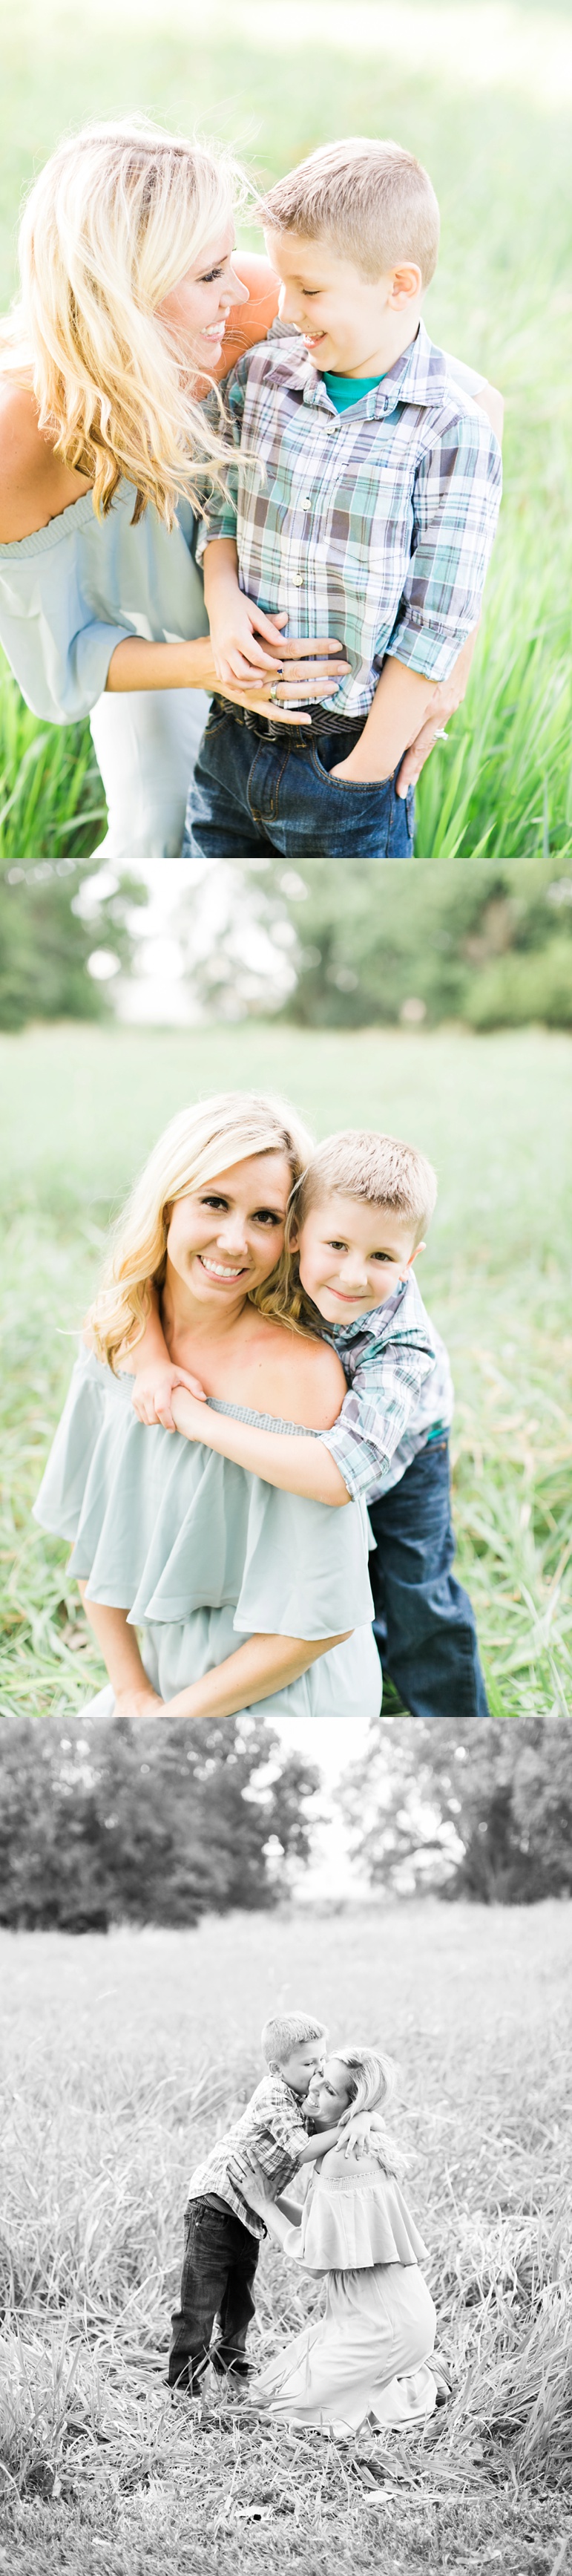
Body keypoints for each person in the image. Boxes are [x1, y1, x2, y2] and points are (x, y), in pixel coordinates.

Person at [0, 122, 502, 857]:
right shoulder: (19, 437)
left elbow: (472, 407)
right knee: (152, 828)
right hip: (151, 636)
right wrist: (213, 661)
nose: (241, 289)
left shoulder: (256, 307)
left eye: (227, 258)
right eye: (208, 273)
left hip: (266, 606)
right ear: (124, 296)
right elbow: (60, 666)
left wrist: (443, 671)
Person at [183, 134, 503, 858]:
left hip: (347, 758)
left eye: (312, 289)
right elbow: (221, 503)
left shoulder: (452, 427)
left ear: (399, 285)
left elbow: (437, 617)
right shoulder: (262, 377)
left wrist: (367, 771)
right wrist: (222, 598)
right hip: (231, 739)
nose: (287, 307)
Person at [33, 1092, 381, 1720]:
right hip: (163, 1686)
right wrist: (134, 1694)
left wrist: (169, 1721)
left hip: (283, 1692)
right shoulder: (118, 1335)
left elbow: (320, 1625)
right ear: (168, 1203)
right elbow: (92, 1546)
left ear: (295, 1235)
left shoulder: (299, 1373)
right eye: (214, 1203)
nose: (234, 1241)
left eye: (266, 1219)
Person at [129, 1127, 488, 1717]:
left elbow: (343, 1473)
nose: (351, 1276)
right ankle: (365, 1659)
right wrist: (151, 1364)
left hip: (401, 1451)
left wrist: (196, 1421)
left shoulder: (405, 1346)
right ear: (296, 1233)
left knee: (416, 1593)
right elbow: (140, 1281)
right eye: (337, 1247)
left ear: (410, 1260)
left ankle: (456, 1726)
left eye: (381, 1258)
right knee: (339, 1572)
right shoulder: (260, 1255)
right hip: (308, 1432)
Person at [241, 2044, 438, 2434]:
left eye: (329, 2090)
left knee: (289, 2411)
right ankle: (393, 2377)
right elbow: (325, 2228)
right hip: (373, 2314)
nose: (313, 2090)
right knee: (274, 2386)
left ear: (351, 2107)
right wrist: (273, 2199)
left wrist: (265, 2205)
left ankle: (394, 2382)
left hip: (382, 2325)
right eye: (318, 2077)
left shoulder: (342, 2156)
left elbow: (314, 2263)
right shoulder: (348, 2141)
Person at [169, 2011, 336, 2393]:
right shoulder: (274, 2094)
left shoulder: (304, 2095)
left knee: (239, 2300)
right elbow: (302, 2148)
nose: (319, 2070)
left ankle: (231, 2368)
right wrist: (345, 2129)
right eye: (309, 2063)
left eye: (322, 2060)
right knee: (200, 2304)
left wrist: (357, 2122)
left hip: (247, 2211)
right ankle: (182, 2387)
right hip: (215, 2205)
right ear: (277, 2067)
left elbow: (326, 2120)